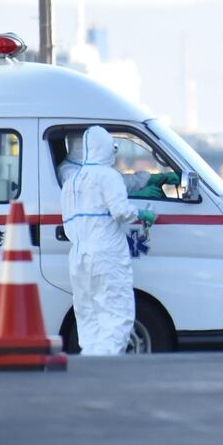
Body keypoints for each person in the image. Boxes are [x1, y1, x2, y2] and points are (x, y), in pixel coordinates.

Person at [60, 126, 157, 355]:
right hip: (106, 254)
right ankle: (107, 368)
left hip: (78, 257)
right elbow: (121, 212)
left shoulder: (72, 181)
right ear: (107, 148)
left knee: (88, 316)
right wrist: (143, 214)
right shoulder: (107, 175)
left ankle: (90, 364)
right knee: (116, 315)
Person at [58, 133, 179, 197]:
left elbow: (120, 183)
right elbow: (97, 201)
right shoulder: (70, 172)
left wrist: (152, 178)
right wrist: (135, 197)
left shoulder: (91, 168)